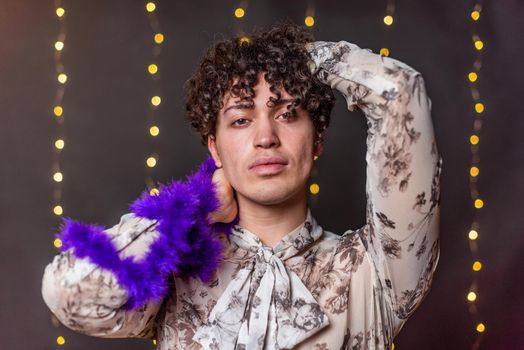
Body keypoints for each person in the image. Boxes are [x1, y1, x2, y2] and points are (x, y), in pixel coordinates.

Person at [42, 22, 442, 350]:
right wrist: (194, 210)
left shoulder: (375, 272)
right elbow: (68, 294)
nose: (265, 136)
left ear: (317, 139)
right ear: (215, 150)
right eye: (240, 119)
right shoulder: (174, 279)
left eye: (288, 114)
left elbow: (401, 94)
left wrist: (294, 58)